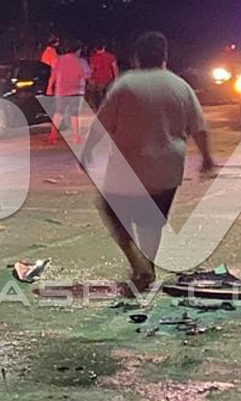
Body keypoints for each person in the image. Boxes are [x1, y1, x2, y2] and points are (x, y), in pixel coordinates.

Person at [81, 31, 216, 290]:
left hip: (128, 167)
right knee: (152, 223)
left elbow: (101, 124)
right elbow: (199, 128)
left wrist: (87, 152)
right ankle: (148, 269)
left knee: (112, 211)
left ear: (136, 58)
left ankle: (137, 262)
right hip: (168, 169)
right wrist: (207, 159)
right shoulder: (180, 86)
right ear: (165, 57)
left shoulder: (125, 85)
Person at [45, 39, 90, 144]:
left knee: (58, 113)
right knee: (74, 114)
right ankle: (76, 137)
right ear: (77, 50)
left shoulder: (59, 60)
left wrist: (49, 88)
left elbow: (53, 75)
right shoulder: (78, 61)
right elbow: (84, 76)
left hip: (61, 91)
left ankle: (52, 135)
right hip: (75, 91)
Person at [86, 41, 119, 110]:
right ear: (104, 47)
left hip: (98, 81)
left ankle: (98, 109)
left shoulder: (93, 57)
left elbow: (92, 70)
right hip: (108, 80)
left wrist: (89, 80)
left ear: (95, 48)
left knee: (98, 97)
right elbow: (114, 68)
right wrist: (116, 79)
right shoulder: (111, 56)